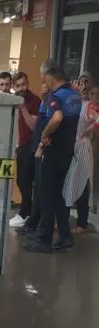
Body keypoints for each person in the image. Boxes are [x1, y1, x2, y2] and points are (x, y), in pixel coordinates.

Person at [24, 60, 82, 253]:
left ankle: (44, 239)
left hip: (52, 152)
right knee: (58, 196)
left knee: (47, 196)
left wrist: (44, 135)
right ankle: (65, 236)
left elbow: (56, 118)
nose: (42, 81)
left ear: (49, 77)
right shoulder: (74, 95)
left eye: (43, 78)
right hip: (66, 152)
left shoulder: (56, 97)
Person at [8, 72, 43, 228]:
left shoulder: (34, 101)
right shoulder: (15, 101)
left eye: (24, 84)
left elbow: (33, 126)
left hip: (31, 145)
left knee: (26, 180)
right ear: (14, 87)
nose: (22, 88)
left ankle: (25, 213)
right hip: (21, 145)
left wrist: (23, 108)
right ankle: (26, 211)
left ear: (27, 84)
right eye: (18, 85)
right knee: (21, 181)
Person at [64, 73, 95, 233]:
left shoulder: (90, 106)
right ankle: (63, 219)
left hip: (83, 148)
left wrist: (90, 130)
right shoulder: (73, 103)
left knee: (82, 183)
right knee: (67, 183)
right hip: (70, 146)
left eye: (86, 82)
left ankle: (82, 222)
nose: (83, 85)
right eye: (80, 82)